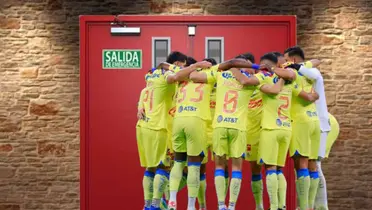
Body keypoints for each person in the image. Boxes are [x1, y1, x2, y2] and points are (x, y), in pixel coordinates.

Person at [253, 53, 318, 210]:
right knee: (281, 169)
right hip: (286, 129)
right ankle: (287, 205)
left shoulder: (264, 79)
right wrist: (314, 95)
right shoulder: (291, 80)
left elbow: (268, 88)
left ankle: (274, 206)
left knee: (270, 168)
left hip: (270, 128)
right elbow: (308, 96)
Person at [284, 46, 328, 210]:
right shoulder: (310, 72)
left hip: (310, 123)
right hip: (318, 122)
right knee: (314, 165)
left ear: (293, 60)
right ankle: (312, 206)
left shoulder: (304, 74)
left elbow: (315, 66)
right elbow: (316, 61)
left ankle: (314, 206)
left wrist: (295, 67)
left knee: (309, 164)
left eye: (286, 59)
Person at [314, 113, 339, 210]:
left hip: (325, 124)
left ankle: (321, 206)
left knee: (314, 162)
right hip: (323, 123)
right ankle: (316, 205)